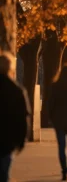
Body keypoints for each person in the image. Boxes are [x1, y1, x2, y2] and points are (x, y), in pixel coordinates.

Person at [0, 52, 31, 182]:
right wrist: (22, 140)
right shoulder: (17, 90)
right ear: (11, 68)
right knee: (4, 174)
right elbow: (23, 117)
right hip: (8, 141)